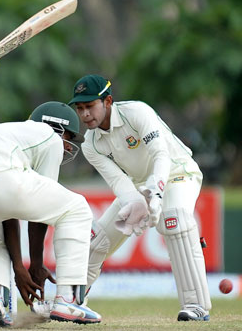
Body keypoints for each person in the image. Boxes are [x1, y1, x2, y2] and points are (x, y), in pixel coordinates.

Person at [0, 102, 102, 328]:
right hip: (0, 182)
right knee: (77, 208)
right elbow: (39, 217)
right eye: (70, 138)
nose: (68, 147)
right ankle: (67, 300)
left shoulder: (6, 132)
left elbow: (8, 212)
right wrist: (35, 264)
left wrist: (18, 267)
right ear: (59, 129)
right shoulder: (50, 136)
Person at [69, 74, 211, 321]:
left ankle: (196, 306)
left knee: (174, 219)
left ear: (108, 101)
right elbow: (118, 182)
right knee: (96, 242)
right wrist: (136, 202)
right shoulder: (91, 144)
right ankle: (72, 303)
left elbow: (160, 155)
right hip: (138, 186)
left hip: (179, 173)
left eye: (90, 106)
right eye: (80, 108)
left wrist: (155, 192)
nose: (84, 114)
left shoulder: (137, 113)